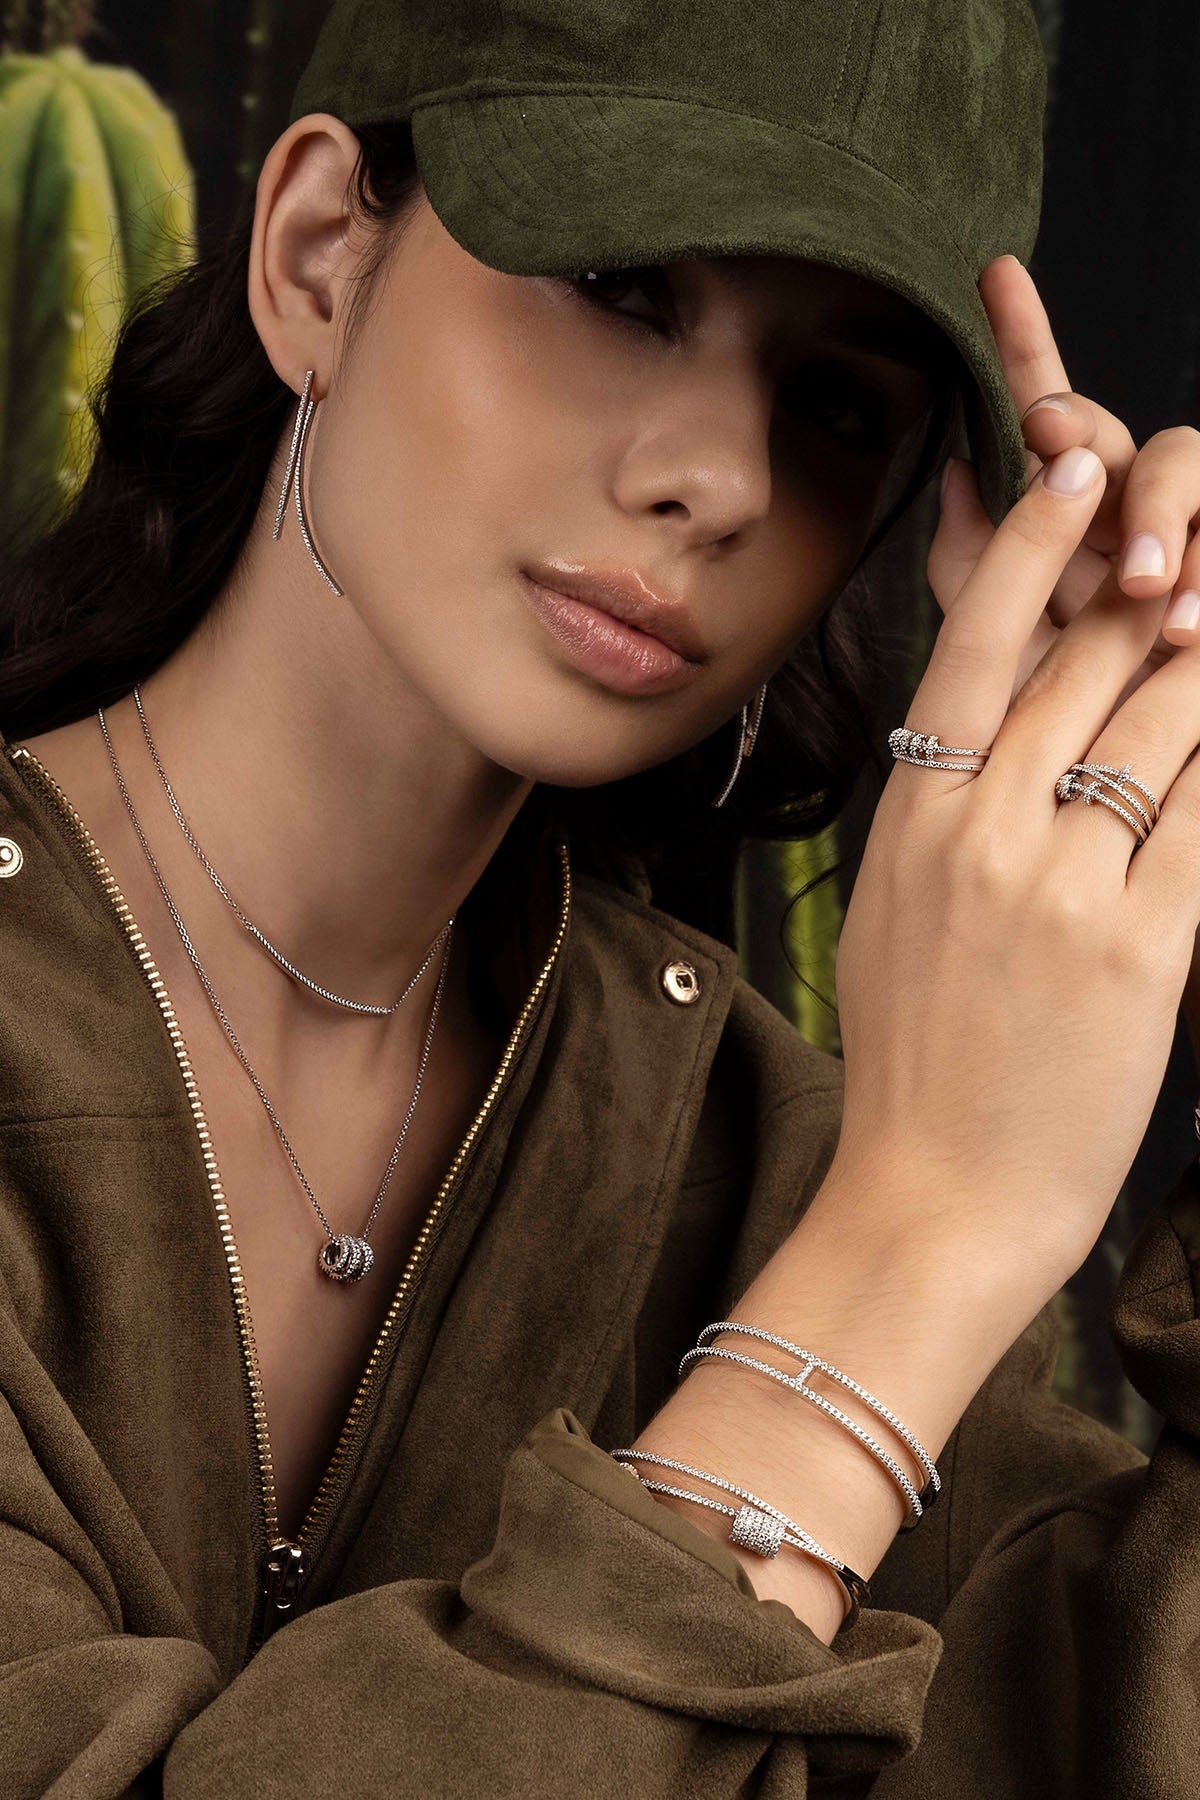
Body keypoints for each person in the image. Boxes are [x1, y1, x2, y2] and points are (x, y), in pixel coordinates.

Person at [3, 0, 1200, 1792]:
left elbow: (1096, 1717)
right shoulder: (874, 1209)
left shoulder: (755, 1153)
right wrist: (922, 1237)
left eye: (837, 404)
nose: (718, 482)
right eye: (625, 284)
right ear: (322, 257)